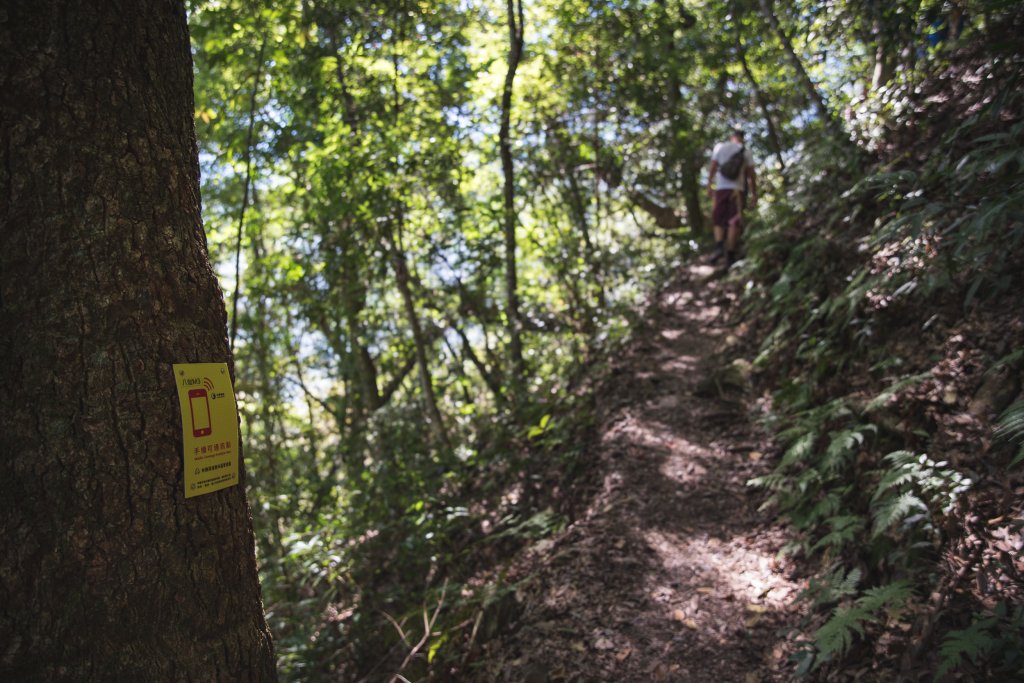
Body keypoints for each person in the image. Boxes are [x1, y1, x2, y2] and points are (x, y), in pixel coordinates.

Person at [707, 128, 757, 267]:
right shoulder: (745, 151)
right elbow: (751, 176)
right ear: (742, 138)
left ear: (732, 137)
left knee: (718, 218)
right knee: (734, 220)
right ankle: (730, 253)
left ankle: (718, 247)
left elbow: (712, 167)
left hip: (721, 188)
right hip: (737, 190)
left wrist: (709, 185)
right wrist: (754, 194)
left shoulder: (720, 147)